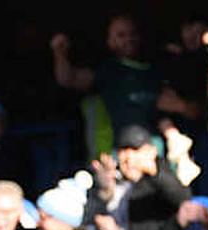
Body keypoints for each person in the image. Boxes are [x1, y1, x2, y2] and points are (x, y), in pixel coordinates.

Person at [50, 14, 162, 149]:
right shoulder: (107, 72)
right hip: (124, 154)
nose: (129, 39)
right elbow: (68, 79)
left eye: (133, 33)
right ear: (110, 41)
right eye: (121, 35)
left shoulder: (154, 70)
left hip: (157, 149)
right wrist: (60, 52)